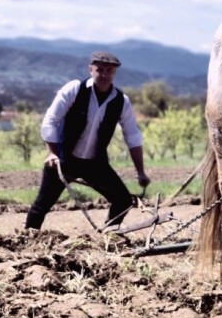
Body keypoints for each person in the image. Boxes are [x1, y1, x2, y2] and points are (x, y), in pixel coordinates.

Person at [25, 51, 150, 230]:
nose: (104, 74)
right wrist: (52, 153)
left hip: (95, 163)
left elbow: (132, 136)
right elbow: (50, 120)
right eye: (100, 70)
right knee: (42, 205)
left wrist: (141, 172)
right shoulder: (74, 89)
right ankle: (27, 239)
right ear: (91, 70)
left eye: (109, 70)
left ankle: (109, 236)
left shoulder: (121, 101)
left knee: (123, 201)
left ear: (114, 72)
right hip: (63, 160)